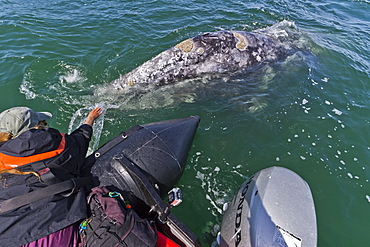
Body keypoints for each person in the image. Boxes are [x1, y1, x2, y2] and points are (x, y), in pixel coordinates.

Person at [0, 106, 102, 247]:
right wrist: (90, 120)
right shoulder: (53, 143)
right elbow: (80, 141)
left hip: (7, 237)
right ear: (35, 127)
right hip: (53, 230)